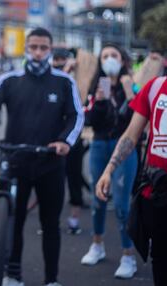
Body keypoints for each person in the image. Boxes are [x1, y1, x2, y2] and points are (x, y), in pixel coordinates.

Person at [0, 27, 84, 286]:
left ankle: (52, 279)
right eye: (33, 47)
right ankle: (13, 274)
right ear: (26, 48)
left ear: (50, 50)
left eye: (43, 48)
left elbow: (76, 115)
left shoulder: (64, 81)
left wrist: (64, 142)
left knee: (51, 224)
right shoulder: (9, 79)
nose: (38, 52)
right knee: (14, 223)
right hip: (16, 160)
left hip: (51, 162)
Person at [95, 75, 167, 285]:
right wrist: (109, 169)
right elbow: (130, 135)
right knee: (161, 259)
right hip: (158, 192)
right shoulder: (156, 87)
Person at [80, 43, 138, 279]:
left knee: (123, 205)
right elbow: (90, 120)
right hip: (100, 145)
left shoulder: (129, 84)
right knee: (98, 199)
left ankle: (128, 255)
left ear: (122, 59)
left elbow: (139, 117)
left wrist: (131, 92)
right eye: (105, 56)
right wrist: (100, 101)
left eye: (113, 55)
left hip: (124, 147)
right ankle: (97, 244)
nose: (109, 59)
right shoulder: (100, 86)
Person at [52, 47, 86, 235]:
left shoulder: (82, 76)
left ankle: (74, 219)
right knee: (54, 182)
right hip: (53, 137)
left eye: (62, 59)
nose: (59, 63)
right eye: (56, 59)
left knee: (74, 178)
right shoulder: (55, 78)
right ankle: (52, 219)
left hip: (74, 139)